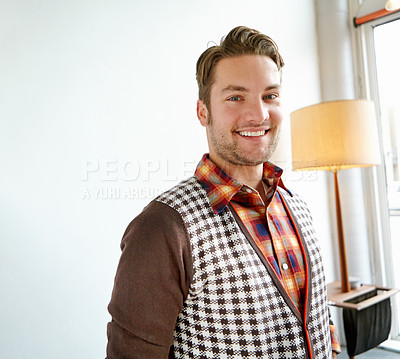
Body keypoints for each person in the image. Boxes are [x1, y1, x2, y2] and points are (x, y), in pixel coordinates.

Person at [106, 26, 341, 358]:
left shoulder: (297, 206)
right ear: (203, 111)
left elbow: (318, 320)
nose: (259, 114)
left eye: (270, 96)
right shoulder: (163, 228)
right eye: (235, 96)